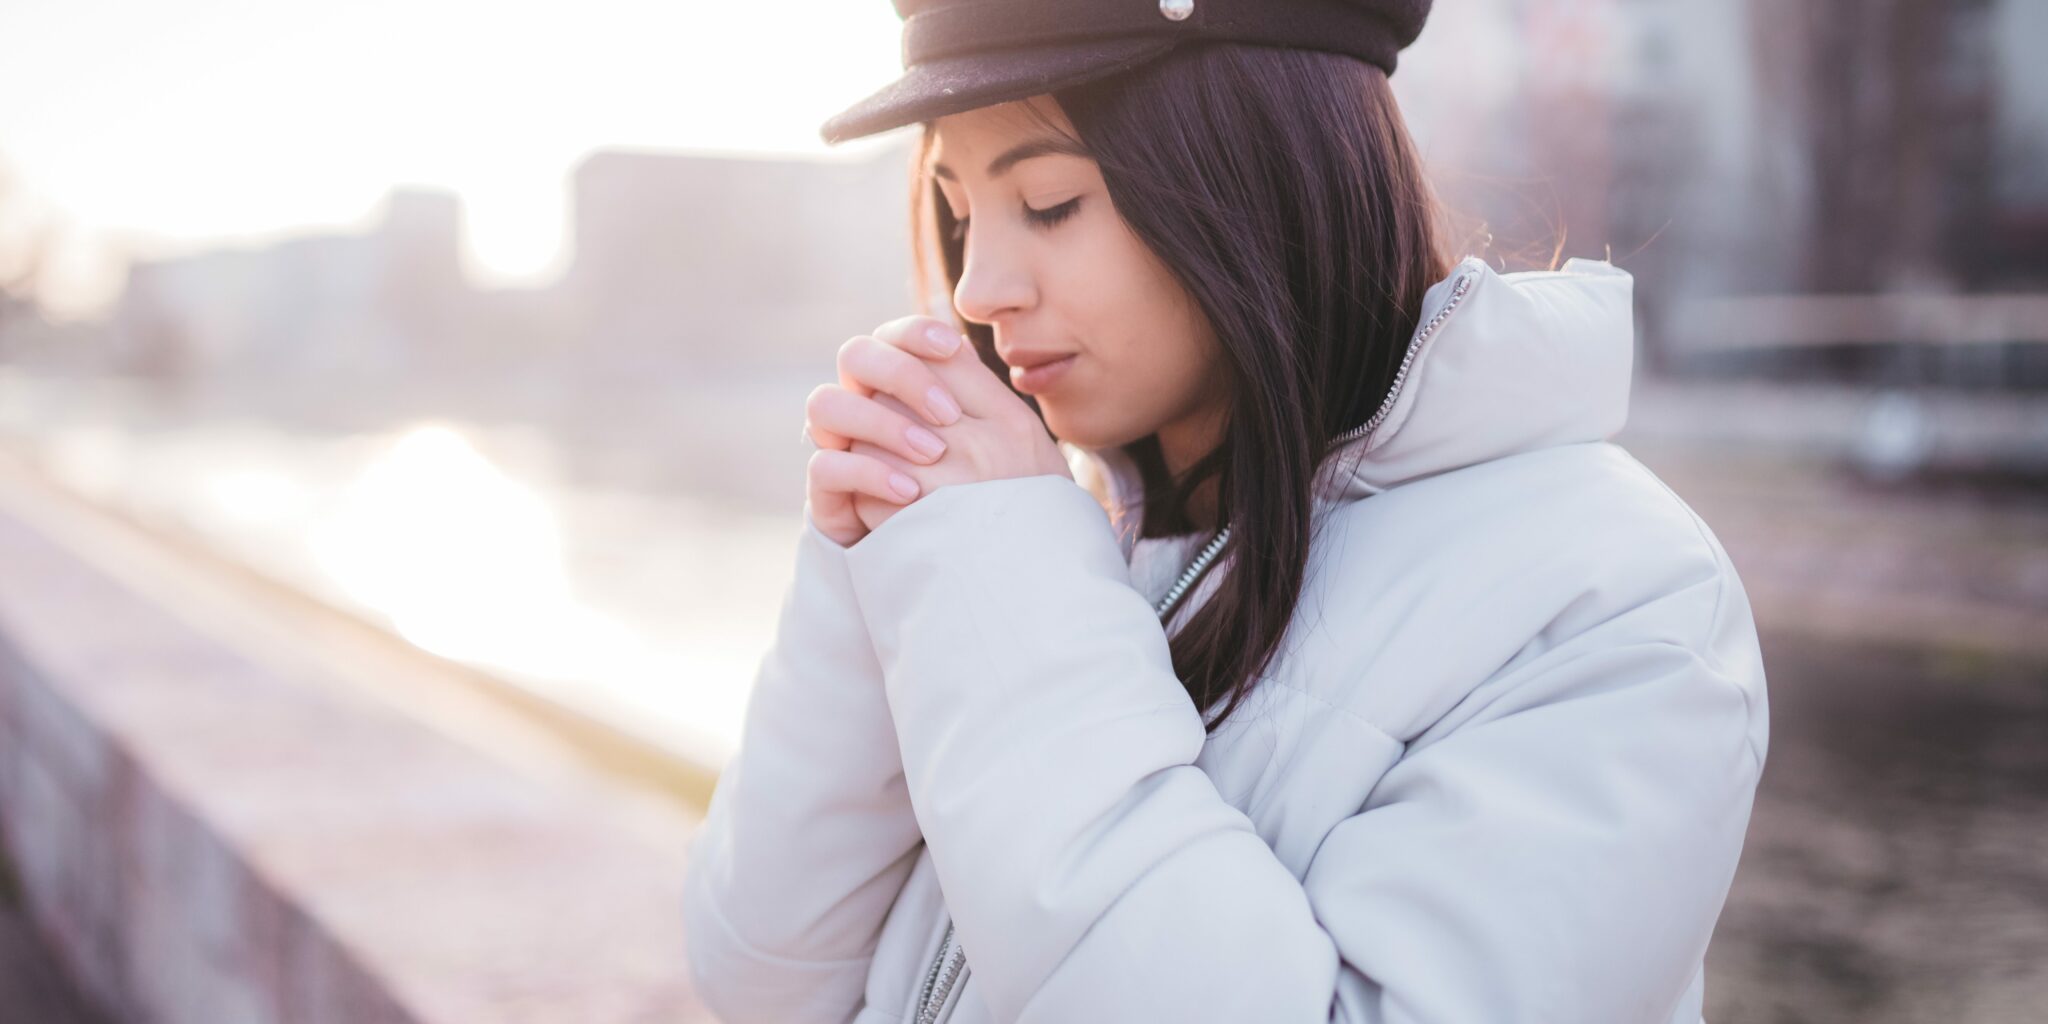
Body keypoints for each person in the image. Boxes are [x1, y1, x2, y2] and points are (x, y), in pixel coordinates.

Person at [682, 1, 1770, 1021]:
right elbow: (765, 979)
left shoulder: (1617, 599)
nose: (976, 289)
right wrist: (875, 575)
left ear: (1257, 170)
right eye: (961, 215)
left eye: (1049, 201)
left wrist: (1002, 584)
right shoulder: (1074, 535)